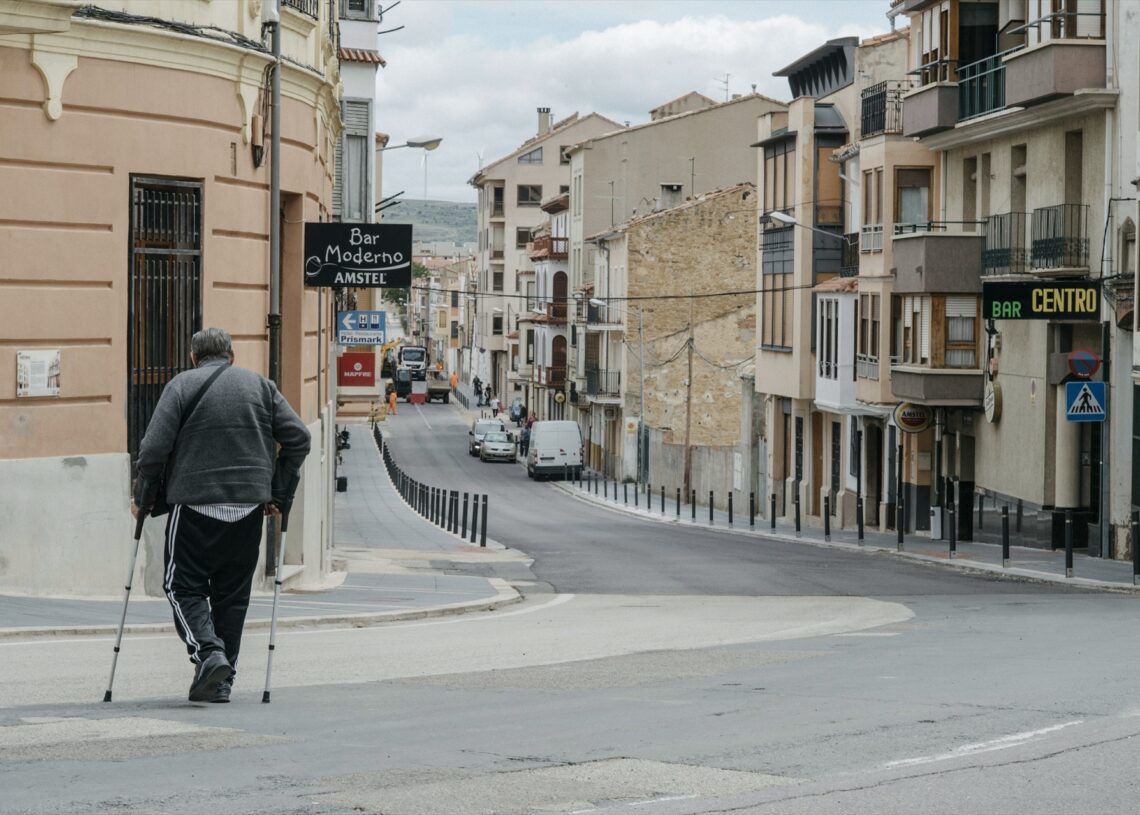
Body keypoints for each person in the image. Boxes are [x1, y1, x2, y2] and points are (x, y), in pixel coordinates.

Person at [131, 328, 311, 704]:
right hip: (248, 510)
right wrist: (278, 491)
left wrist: (143, 497)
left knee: (182, 587)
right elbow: (299, 438)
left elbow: (152, 450)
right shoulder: (261, 386)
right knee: (232, 596)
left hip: (194, 507)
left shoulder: (181, 386)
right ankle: (221, 680)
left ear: (194, 357)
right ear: (232, 356)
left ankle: (208, 654)